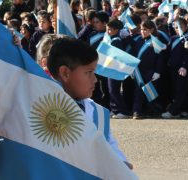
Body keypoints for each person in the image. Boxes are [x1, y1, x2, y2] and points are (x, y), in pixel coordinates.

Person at [46, 37, 133, 169]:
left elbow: (109, 146)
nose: (95, 80)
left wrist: (120, 163)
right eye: (89, 72)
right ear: (65, 73)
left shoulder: (99, 114)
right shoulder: (41, 107)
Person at [161, 18, 188, 119]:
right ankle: (184, 109)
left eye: (179, 27)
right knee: (176, 90)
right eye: (175, 27)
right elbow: (168, 51)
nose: (177, 29)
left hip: (183, 68)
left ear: (185, 27)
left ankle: (174, 111)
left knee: (181, 89)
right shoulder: (173, 38)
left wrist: (184, 66)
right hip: (173, 68)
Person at [106, 19, 130, 119]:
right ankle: (114, 109)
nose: (108, 31)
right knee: (111, 89)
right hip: (110, 67)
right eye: (107, 29)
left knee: (114, 89)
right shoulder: (111, 39)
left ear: (116, 30)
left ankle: (122, 111)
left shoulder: (117, 40)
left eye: (110, 29)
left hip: (114, 68)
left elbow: (117, 55)